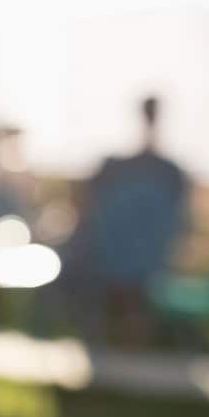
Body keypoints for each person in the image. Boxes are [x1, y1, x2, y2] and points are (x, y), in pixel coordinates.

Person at [63, 94, 189, 346]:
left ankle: (124, 348)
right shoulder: (140, 170)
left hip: (131, 259)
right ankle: (115, 347)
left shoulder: (164, 172)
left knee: (129, 299)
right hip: (115, 256)